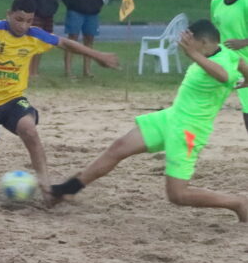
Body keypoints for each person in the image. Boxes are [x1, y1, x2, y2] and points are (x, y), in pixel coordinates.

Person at [51, 20, 248, 222]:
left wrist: (194, 55)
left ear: (205, 42)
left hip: (189, 131)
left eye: (190, 42)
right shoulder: (224, 52)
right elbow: (242, 64)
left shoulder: (221, 62)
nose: (184, 46)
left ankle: (237, 202)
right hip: (170, 117)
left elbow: (223, 76)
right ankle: (70, 188)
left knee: (178, 195)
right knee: (119, 147)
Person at [0, 0, 120, 205]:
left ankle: (47, 188)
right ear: (9, 15)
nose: (24, 25)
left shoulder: (34, 36)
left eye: (29, 21)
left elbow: (66, 43)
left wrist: (98, 56)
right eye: (19, 19)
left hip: (13, 100)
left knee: (29, 130)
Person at [210, 0, 248, 132]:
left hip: (245, 63)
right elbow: (214, 32)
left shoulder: (246, 3)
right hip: (223, 62)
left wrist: (244, 42)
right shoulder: (216, 1)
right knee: (201, 99)